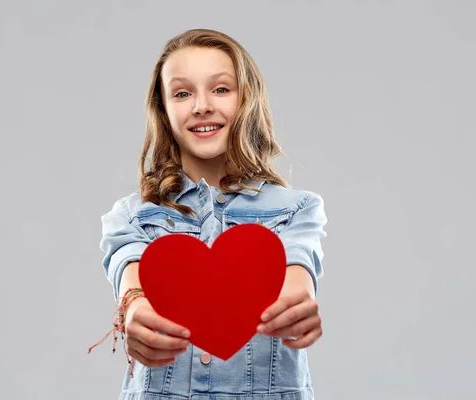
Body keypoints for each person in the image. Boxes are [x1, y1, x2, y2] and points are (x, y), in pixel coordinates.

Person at [90, 28, 328, 400]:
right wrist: (135, 308)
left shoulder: (298, 209)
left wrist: (296, 306)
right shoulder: (132, 216)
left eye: (220, 89)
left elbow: (297, 272)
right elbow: (131, 275)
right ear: (164, 110)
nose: (202, 105)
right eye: (183, 93)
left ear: (247, 98)